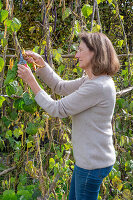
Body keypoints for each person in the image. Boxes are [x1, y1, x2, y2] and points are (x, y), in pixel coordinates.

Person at [17, 32, 120, 200]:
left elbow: (57, 109)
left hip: (92, 165)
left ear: (95, 53)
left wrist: (31, 81)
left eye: (80, 50)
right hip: (89, 161)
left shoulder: (98, 86)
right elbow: (60, 86)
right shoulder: (93, 80)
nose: (76, 55)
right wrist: (41, 65)